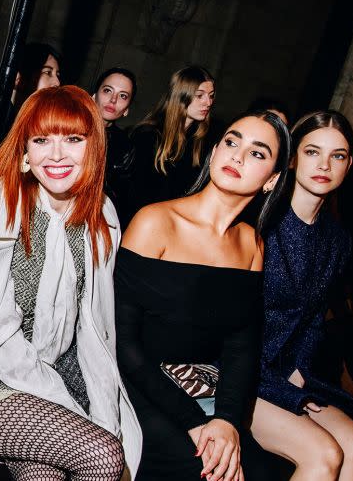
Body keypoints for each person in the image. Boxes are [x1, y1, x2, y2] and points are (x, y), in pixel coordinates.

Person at [0, 85, 142, 480]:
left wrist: (103, 411)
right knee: (103, 456)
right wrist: (77, 416)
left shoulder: (102, 218)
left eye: (73, 139)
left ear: (94, 147)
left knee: (44, 474)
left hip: (52, 383)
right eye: (42, 140)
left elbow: (93, 333)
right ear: (25, 151)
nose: (57, 154)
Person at [116, 110, 291, 480]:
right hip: (137, 386)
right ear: (214, 151)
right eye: (232, 142)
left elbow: (241, 348)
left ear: (272, 181)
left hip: (198, 386)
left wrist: (226, 421)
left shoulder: (252, 244)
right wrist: (195, 422)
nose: (238, 156)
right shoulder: (156, 222)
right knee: (209, 471)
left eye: (257, 153)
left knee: (259, 471)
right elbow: (124, 344)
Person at [251, 110, 353, 479]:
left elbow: (313, 319)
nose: (325, 165)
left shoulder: (337, 239)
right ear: (294, 156)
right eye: (313, 152)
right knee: (325, 453)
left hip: (289, 371)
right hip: (239, 371)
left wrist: (298, 369)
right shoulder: (261, 222)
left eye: (338, 156)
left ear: (349, 165)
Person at [0, 43, 62, 184]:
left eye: (57, 75)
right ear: (18, 78)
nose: (57, 82)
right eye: (47, 73)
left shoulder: (36, 122)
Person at [127, 65, 215, 216]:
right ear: (181, 96)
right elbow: (132, 193)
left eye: (211, 95)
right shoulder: (148, 135)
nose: (208, 102)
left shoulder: (201, 141)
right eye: (200, 95)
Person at [91, 67, 136, 227]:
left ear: (127, 109)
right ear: (94, 95)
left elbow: (121, 202)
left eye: (123, 96)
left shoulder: (126, 147)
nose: (113, 100)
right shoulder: (67, 127)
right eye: (108, 90)